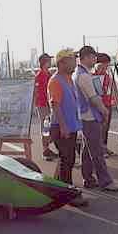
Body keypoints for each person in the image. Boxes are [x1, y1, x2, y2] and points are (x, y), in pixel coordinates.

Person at [74, 48, 118, 192]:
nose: (95, 60)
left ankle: (88, 179)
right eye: (94, 57)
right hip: (89, 116)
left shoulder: (80, 74)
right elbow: (93, 97)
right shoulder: (83, 76)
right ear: (87, 57)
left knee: (88, 150)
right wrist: (104, 110)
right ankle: (105, 182)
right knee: (97, 151)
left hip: (85, 115)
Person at [45, 55, 85, 183]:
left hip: (71, 126)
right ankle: (67, 189)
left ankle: (58, 187)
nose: (75, 63)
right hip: (61, 127)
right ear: (61, 63)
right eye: (71, 61)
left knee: (68, 158)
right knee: (67, 159)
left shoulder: (69, 79)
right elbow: (55, 105)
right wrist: (63, 126)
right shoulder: (56, 81)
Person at [33, 54, 58, 160]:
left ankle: (47, 147)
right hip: (43, 105)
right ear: (44, 62)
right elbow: (39, 92)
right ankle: (45, 150)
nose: (50, 62)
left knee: (50, 127)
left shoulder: (48, 74)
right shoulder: (40, 75)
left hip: (48, 104)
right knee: (45, 127)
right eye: (48, 61)